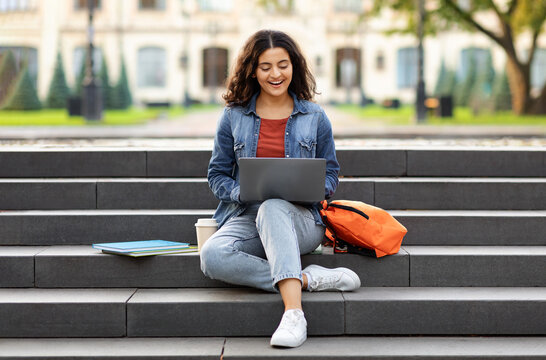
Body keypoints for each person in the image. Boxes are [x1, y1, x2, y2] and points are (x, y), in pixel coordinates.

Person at [200, 29, 361, 348]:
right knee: (212, 256)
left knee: (274, 206)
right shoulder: (233, 116)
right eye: (265, 67)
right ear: (253, 71)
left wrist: (315, 189)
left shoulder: (315, 117)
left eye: (283, 65)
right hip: (248, 218)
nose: (275, 74)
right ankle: (304, 278)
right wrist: (241, 192)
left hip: (301, 221)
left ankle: (293, 315)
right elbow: (217, 175)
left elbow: (331, 173)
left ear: (294, 66)